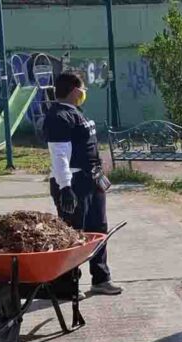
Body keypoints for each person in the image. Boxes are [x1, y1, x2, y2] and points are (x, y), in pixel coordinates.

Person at [44, 71, 122, 296]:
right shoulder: (58, 116)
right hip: (74, 182)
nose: (85, 93)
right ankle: (67, 285)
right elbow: (59, 155)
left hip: (92, 180)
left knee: (98, 230)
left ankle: (101, 279)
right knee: (73, 234)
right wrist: (65, 187)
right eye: (83, 88)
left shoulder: (75, 112)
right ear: (75, 90)